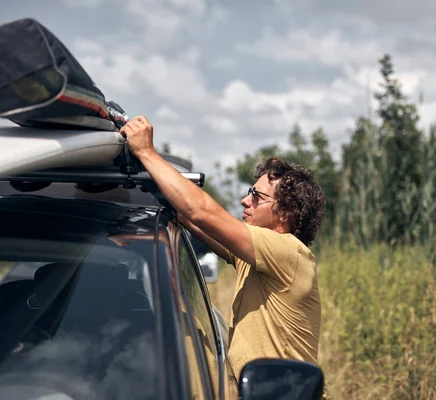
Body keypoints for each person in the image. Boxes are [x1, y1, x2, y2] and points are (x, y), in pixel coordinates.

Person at [120, 116, 327, 394]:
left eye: (257, 196)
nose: (245, 200)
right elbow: (192, 219)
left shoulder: (288, 252)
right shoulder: (254, 255)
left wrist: (147, 152)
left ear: (286, 214)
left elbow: (202, 211)